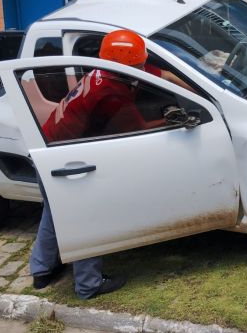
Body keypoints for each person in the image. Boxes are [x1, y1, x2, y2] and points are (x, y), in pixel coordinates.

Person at [31, 30, 167, 299]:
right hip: (67, 158)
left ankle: (42, 270)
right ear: (127, 67)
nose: (143, 66)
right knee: (86, 217)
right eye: (139, 63)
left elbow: (159, 74)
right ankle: (89, 284)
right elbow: (138, 130)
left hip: (48, 147)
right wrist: (170, 120)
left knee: (54, 212)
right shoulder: (112, 94)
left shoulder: (103, 70)